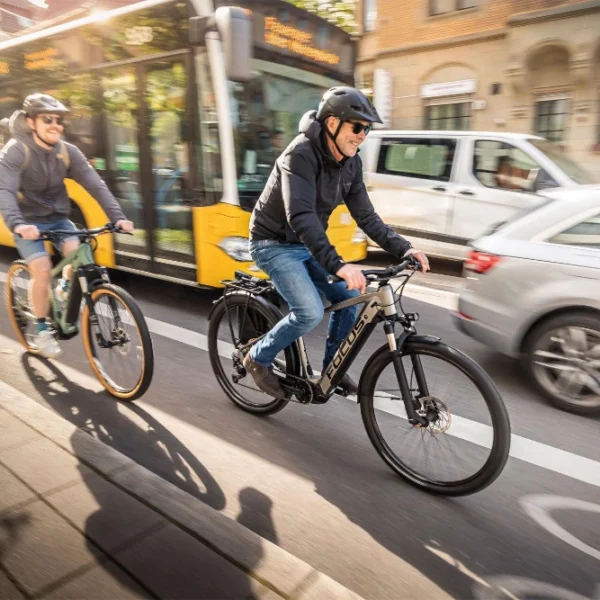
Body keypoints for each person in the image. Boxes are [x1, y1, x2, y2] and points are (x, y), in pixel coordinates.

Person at [244, 86, 429, 398]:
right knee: (309, 312)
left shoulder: (350, 162)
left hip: (306, 244)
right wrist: (339, 264)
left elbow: (367, 217)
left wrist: (405, 247)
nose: (362, 136)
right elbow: (300, 216)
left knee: (350, 300)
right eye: (357, 127)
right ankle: (257, 358)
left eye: (367, 129)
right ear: (332, 123)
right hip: (272, 243)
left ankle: (332, 370)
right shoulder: (299, 154)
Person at [0, 93, 133, 359]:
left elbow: (96, 184)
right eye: (47, 119)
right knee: (42, 268)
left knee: (80, 256)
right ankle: (40, 329)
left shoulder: (67, 151)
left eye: (59, 120)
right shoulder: (16, 150)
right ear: (30, 122)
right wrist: (17, 224)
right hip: (27, 222)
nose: (55, 125)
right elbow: (4, 190)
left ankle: (62, 290)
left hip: (58, 218)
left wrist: (117, 216)